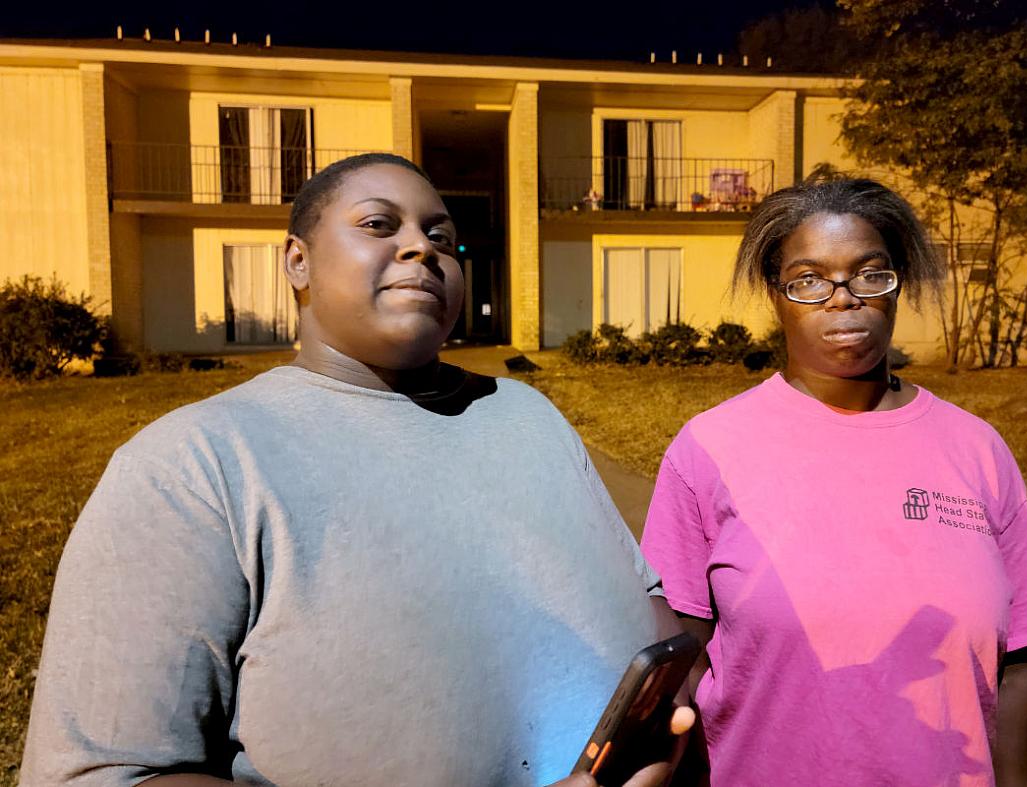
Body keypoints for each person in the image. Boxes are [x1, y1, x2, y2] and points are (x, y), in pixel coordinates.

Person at [21, 153, 691, 787]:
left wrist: (673, 700)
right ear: (298, 261)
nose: (420, 248)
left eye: (441, 236)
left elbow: (641, 594)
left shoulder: (527, 414)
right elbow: (107, 772)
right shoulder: (194, 464)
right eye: (379, 224)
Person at [641, 176, 1027, 786]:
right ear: (776, 293)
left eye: (870, 274)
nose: (843, 299)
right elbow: (677, 661)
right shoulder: (708, 449)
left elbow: (1018, 661)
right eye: (810, 280)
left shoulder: (977, 449)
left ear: (897, 283)